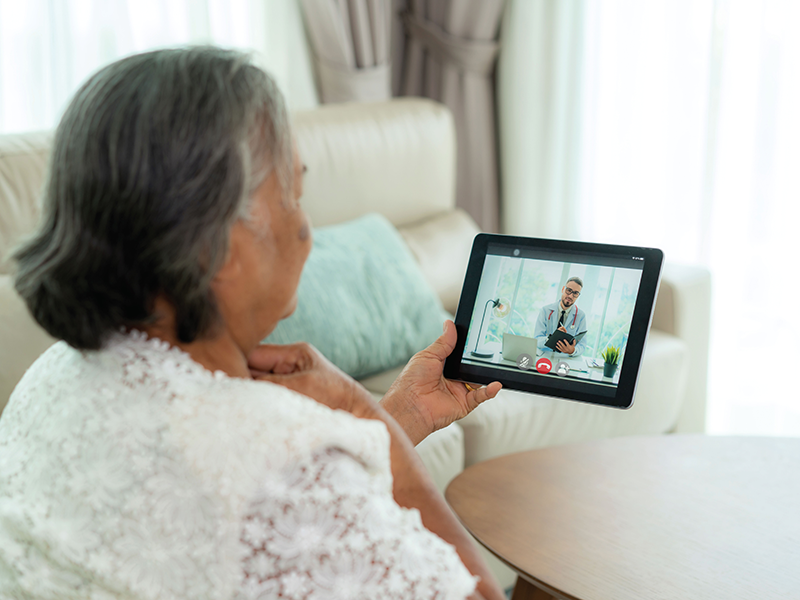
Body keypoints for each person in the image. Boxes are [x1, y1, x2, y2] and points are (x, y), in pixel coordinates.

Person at [0, 48, 505, 600]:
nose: (306, 228)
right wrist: (371, 423)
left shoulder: (47, 379)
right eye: (293, 194)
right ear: (216, 248)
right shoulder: (281, 463)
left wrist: (396, 414)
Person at [533, 277, 588, 357]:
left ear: (578, 296)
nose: (571, 296)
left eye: (575, 293)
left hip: (565, 358)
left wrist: (572, 351)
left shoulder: (581, 316)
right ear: (563, 289)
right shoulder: (545, 311)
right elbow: (537, 340)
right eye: (568, 290)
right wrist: (551, 338)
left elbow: (582, 345)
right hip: (545, 355)